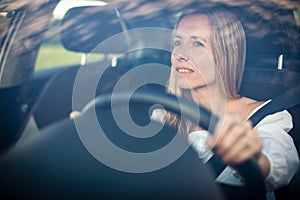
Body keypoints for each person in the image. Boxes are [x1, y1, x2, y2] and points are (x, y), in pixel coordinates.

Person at [151, 8, 299, 199]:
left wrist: (251, 159)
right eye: (177, 43)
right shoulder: (163, 114)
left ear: (226, 53)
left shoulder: (266, 115)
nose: (180, 53)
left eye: (197, 43)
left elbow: (279, 163)